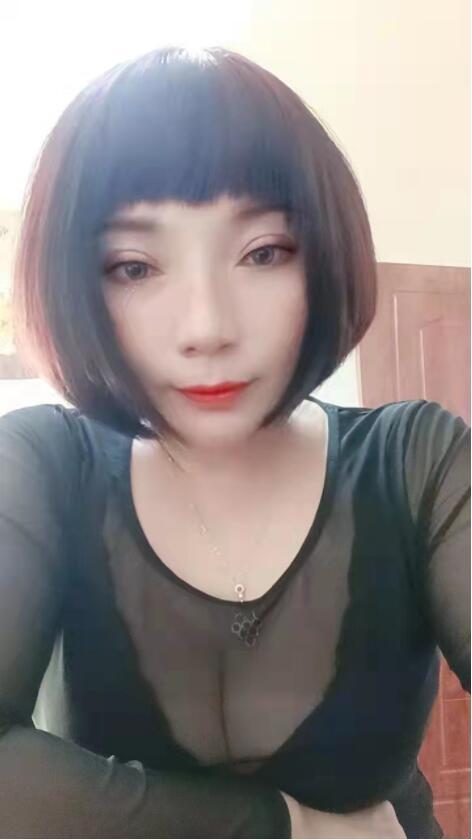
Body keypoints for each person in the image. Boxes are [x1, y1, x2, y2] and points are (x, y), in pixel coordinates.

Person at [0, 44, 469, 839]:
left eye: (263, 253)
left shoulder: (416, 460)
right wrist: (294, 829)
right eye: (135, 266)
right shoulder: (41, 464)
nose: (208, 327)